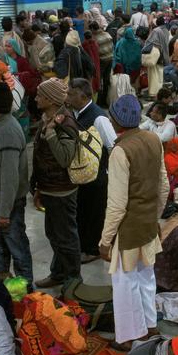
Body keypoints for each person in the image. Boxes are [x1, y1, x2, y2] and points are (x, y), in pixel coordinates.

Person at [99, 95, 170, 352]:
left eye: (111, 117)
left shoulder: (120, 151)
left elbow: (117, 204)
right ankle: (150, 327)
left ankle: (128, 337)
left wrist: (105, 240)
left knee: (125, 283)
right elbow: (164, 185)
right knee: (146, 277)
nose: (110, 120)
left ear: (117, 120)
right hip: (148, 222)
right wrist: (155, 216)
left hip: (128, 228)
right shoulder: (153, 139)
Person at [30, 77, 81, 288]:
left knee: (66, 238)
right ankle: (59, 273)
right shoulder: (47, 118)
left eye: (40, 95)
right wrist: (38, 187)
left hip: (62, 190)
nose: (35, 98)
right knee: (54, 234)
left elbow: (65, 158)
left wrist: (51, 133)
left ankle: (73, 281)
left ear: (51, 100)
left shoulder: (64, 123)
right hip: (49, 187)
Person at [0, 82, 34, 286]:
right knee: (0, 246)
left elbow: (10, 177)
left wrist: (4, 212)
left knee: (16, 245)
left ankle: (25, 287)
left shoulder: (7, 131)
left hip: (5, 205)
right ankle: (1, 282)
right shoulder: (2, 125)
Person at [67, 78, 115, 263]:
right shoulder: (75, 113)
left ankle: (93, 249)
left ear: (83, 96)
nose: (68, 97)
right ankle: (83, 245)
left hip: (97, 176)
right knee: (83, 210)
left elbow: (112, 146)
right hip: (82, 174)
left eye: (71, 94)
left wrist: (108, 172)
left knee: (95, 212)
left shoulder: (98, 117)